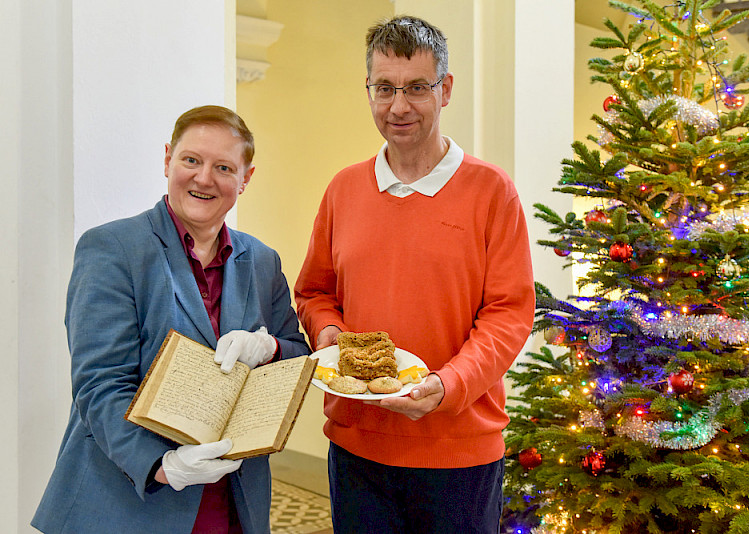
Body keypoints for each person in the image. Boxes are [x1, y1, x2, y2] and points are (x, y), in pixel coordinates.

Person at [294, 15, 535, 534]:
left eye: (417, 88)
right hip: (358, 447)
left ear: (445, 90)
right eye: (384, 88)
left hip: (460, 452)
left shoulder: (492, 191)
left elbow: (509, 314)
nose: (398, 106)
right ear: (369, 91)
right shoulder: (343, 190)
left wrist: (447, 385)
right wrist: (329, 334)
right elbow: (314, 292)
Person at [32, 105, 310, 534]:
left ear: (245, 178)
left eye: (223, 167)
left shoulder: (262, 261)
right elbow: (99, 383)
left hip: (234, 503)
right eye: (191, 160)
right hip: (128, 501)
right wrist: (162, 465)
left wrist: (269, 347)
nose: (204, 178)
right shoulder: (112, 249)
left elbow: (297, 355)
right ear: (167, 159)